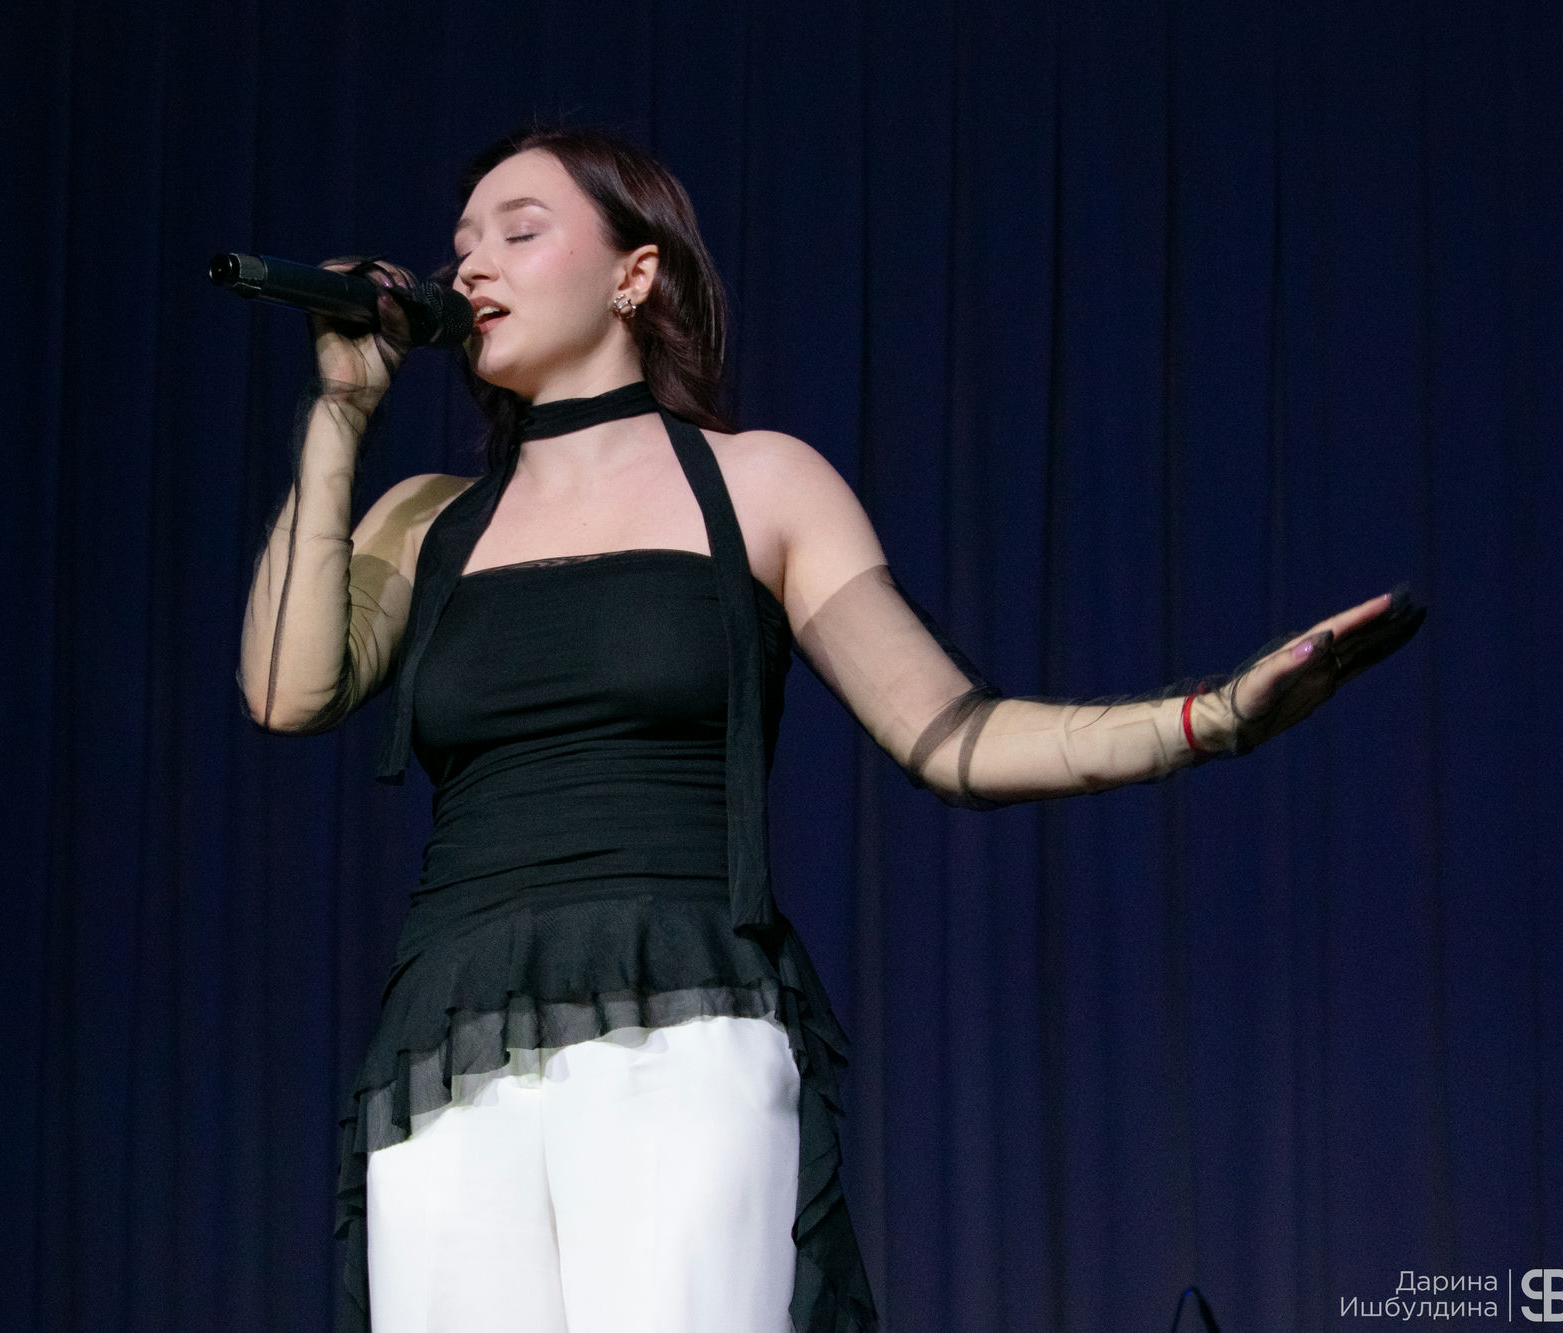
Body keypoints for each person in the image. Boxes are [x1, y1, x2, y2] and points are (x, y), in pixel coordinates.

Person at [237, 124, 1425, 1333]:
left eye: (518, 231)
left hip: (679, 1021)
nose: (472, 265)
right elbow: (287, 692)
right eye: (462, 243)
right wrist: (340, 414)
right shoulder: (424, 519)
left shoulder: (757, 482)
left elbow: (950, 736)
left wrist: (1208, 719)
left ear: (633, 273)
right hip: (447, 1035)